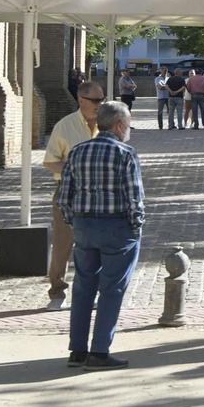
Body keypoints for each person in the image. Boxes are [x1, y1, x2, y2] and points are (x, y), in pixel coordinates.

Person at [58, 99, 144, 369]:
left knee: (83, 288)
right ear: (120, 125)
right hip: (116, 226)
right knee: (112, 289)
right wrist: (136, 225)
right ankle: (99, 350)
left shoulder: (77, 151)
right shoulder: (125, 153)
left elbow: (64, 196)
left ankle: (78, 350)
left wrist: (74, 221)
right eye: (127, 125)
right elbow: (134, 198)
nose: (128, 129)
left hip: (84, 226)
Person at [41, 80, 102, 310]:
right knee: (63, 244)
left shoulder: (107, 124)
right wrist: (75, 170)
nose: (100, 104)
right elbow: (49, 161)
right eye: (95, 100)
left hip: (100, 194)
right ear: (81, 100)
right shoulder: (64, 126)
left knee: (95, 245)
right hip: (69, 192)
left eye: (102, 99)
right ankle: (57, 293)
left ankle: (92, 292)